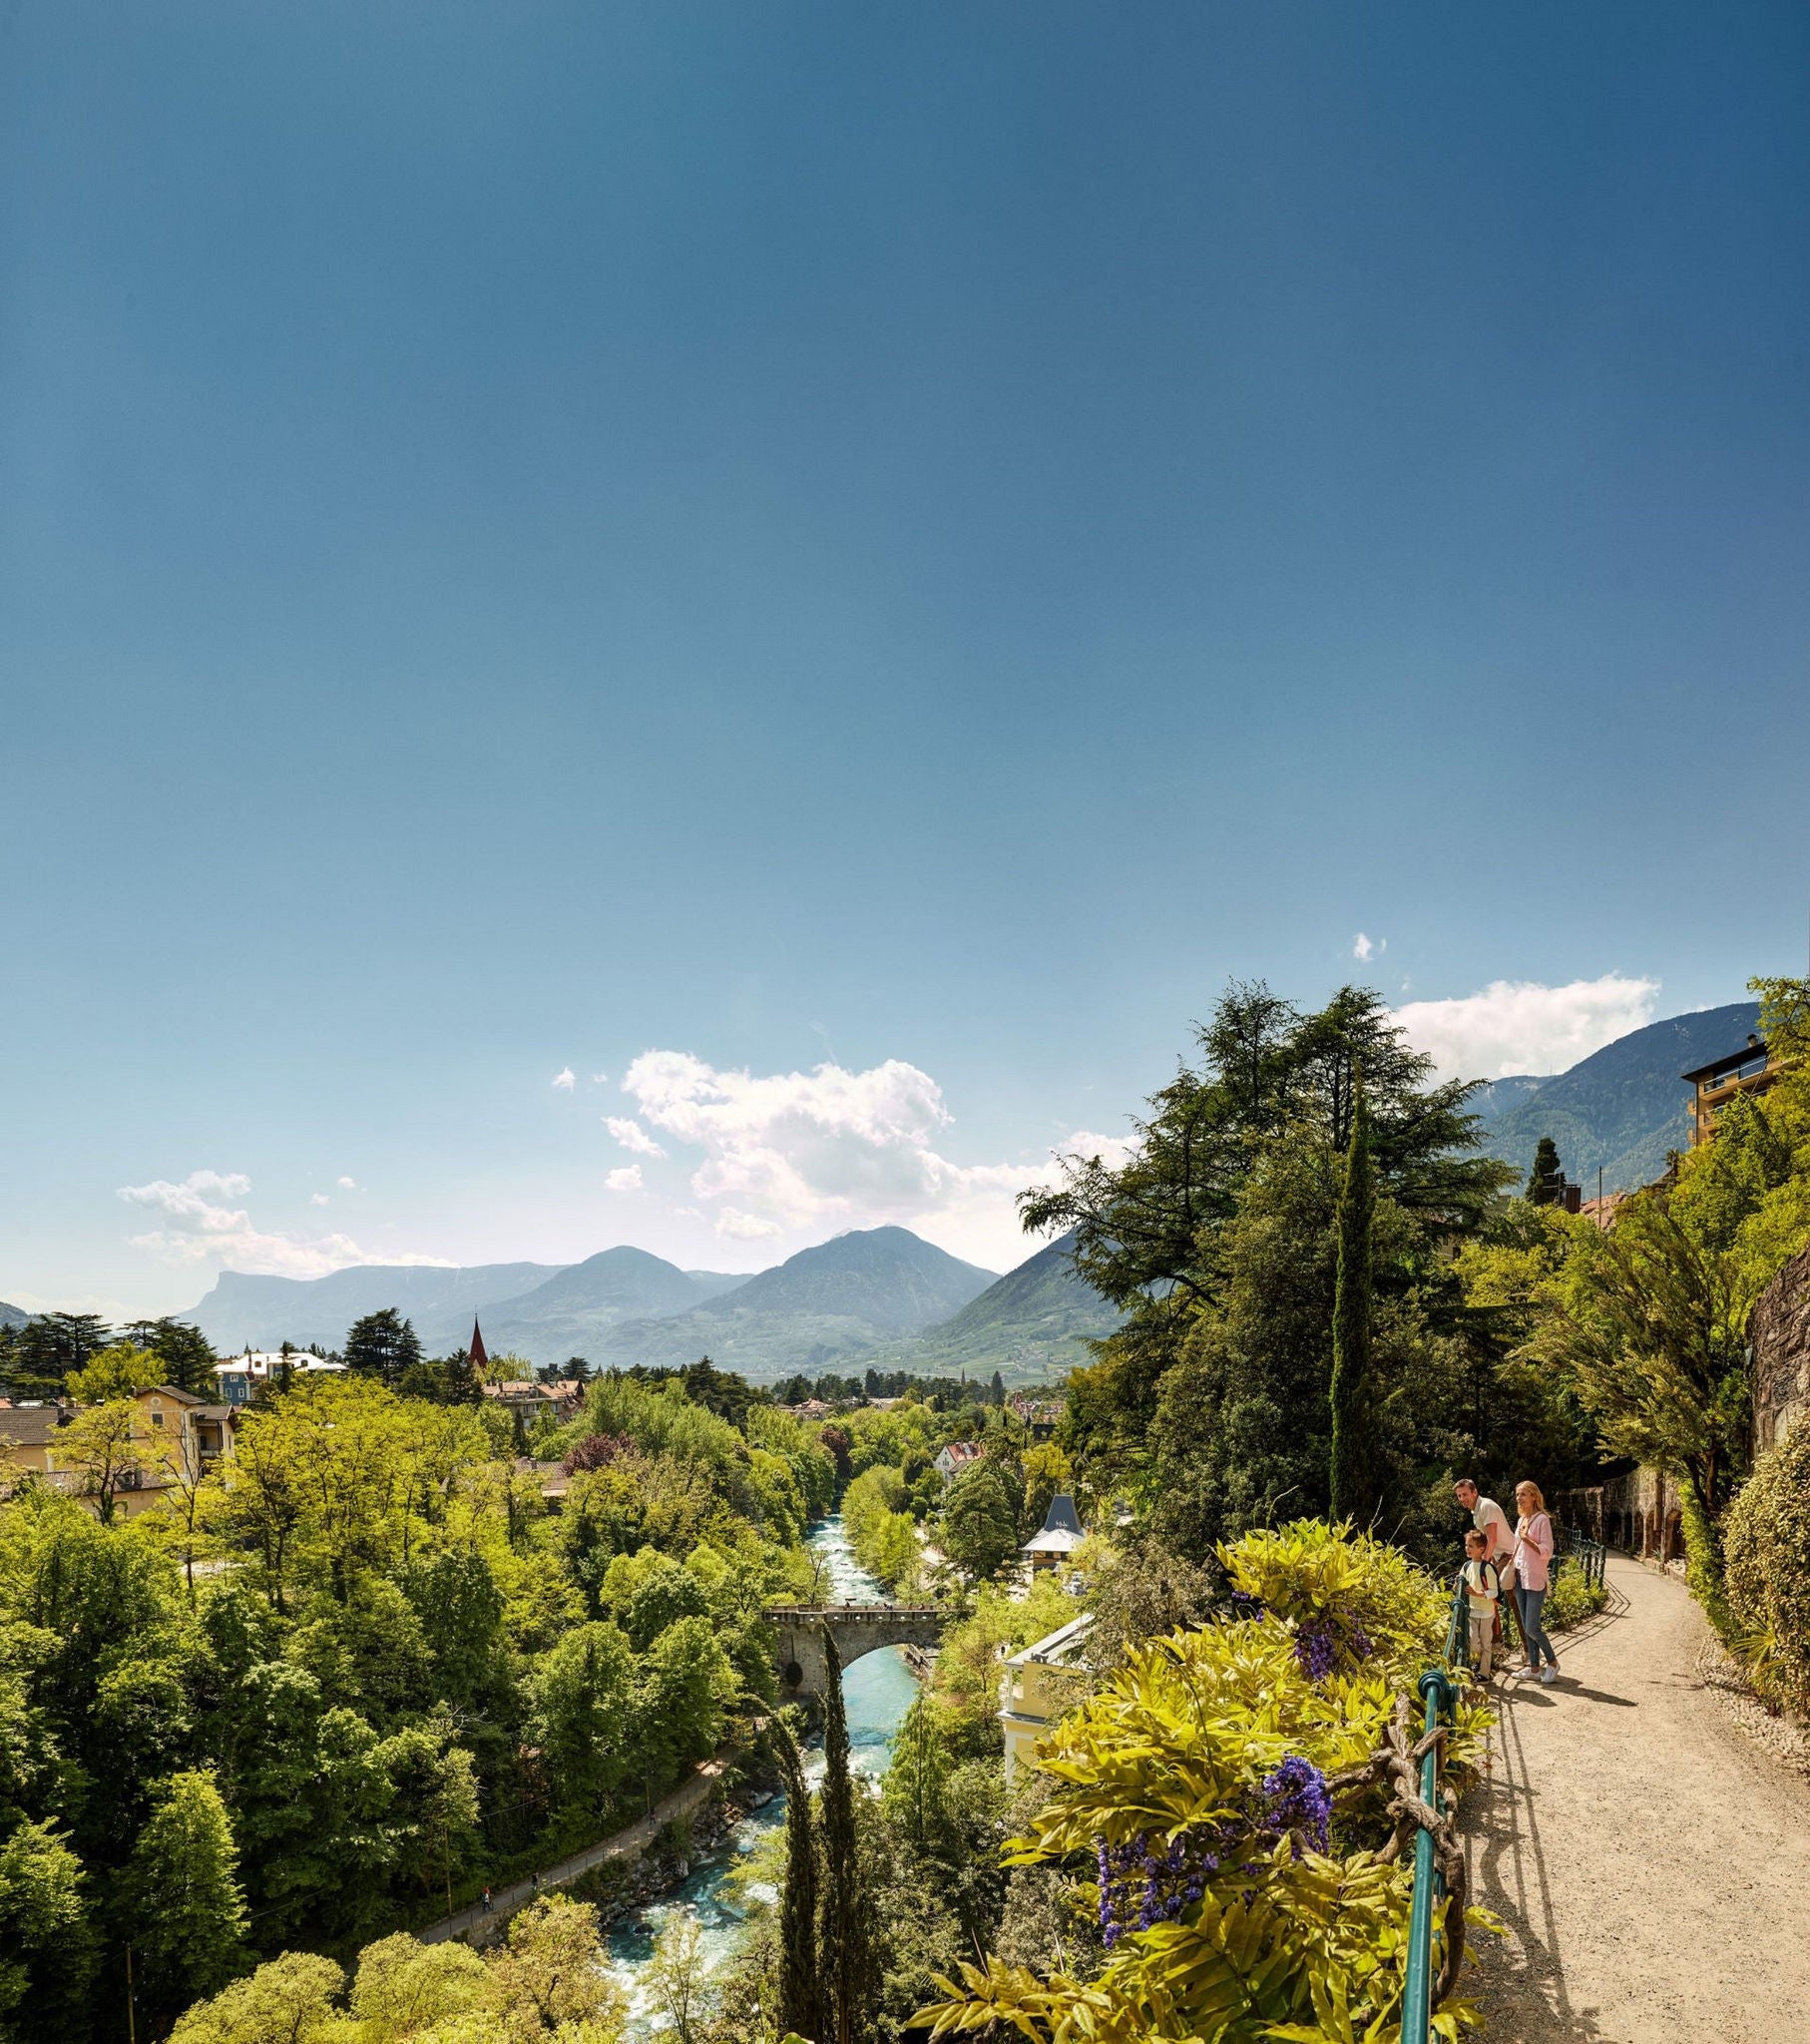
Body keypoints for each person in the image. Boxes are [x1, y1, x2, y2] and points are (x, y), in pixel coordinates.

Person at [1513, 1480, 1560, 1684]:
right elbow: (1518, 1548)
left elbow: (1547, 1551)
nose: (1519, 1498)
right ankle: (1534, 1667)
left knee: (1532, 1627)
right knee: (1525, 1625)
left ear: (1534, 1496)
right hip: (1518, 1576)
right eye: (1517, 1495)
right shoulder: (1521, 1519)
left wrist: (1526, 1539)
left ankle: (1552, 1662)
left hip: (1535, 1577)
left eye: (1523, 1494)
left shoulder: (1542, 1520)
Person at [1459, 1526, 1504, 1682]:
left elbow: (1495, 1592)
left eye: (1471, 1546)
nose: (1467, 1548)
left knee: (1485, 1643)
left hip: (1486, 1612)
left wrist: (1477, 1593)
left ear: (1481, 1549)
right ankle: (1475, 1663)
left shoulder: (1488, 1568)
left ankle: (1484, 1672)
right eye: (1466, 1545)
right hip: (1472, 1611)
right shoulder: (1466, 1566)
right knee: (1473, 1641)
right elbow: (1460, 1583)